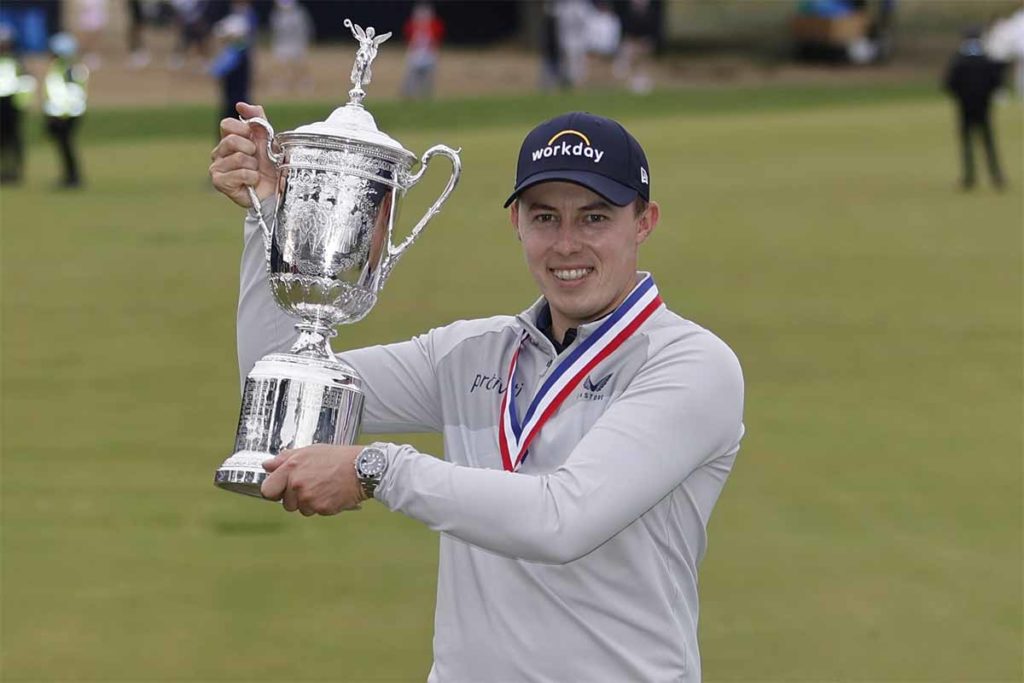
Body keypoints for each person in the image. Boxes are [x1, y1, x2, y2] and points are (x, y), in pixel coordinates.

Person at [210, 105, 745, 682]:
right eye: (545, 218)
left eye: (594, 218)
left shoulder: (691, 364)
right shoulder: (471, 353)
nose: (566, 244)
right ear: (516, 221)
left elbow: (563, 519)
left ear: (644, 221)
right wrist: (269, 215)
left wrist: (376, 469)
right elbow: (282, 386)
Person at [943, 26, 1007, 190]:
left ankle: (969, 177)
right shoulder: (987, 59)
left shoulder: (958, 60)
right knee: (988, 141)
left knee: (967, 142)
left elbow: (949, 84)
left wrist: (961, 96)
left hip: (965, 106)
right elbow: (997, 81)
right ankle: (996, 176)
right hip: (984, 106)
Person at [43, 32, 89, 189]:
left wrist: (61, 115)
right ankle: (70, 176)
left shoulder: (68, 69)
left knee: (66, 145)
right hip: (63, 114)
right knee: (64, 146)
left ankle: (72, 177)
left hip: (66, 115)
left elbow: (70, 94)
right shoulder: (63, 67)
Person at [0, 24, 36, 185]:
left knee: (14, 139)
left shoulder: (17, 61)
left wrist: (21, 104)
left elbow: (26, 83)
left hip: (12, 105)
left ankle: (15, 171)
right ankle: (3, 171)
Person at [209, 14, 250, 142]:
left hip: (234, 101)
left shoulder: (236, 51)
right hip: (238, 99)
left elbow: (217, 70)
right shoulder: (242, 50)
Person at [400, 2, 444, 99]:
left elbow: (437, 40)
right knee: (410, 81)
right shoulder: (412, 26)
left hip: (429, 57)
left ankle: (426, 98)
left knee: (427, 82)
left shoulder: (434, 26)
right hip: (415, 57)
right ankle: (408, 98)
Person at [269, 0, 312, 95]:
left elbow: (304, 30)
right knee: (281, 66)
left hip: (296, 44)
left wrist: (303, 43)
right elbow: (275, 31)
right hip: (282, 44)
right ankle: (282, 83)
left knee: (299, 66)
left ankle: (303, 83)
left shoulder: (299, 15)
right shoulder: (277, 16)